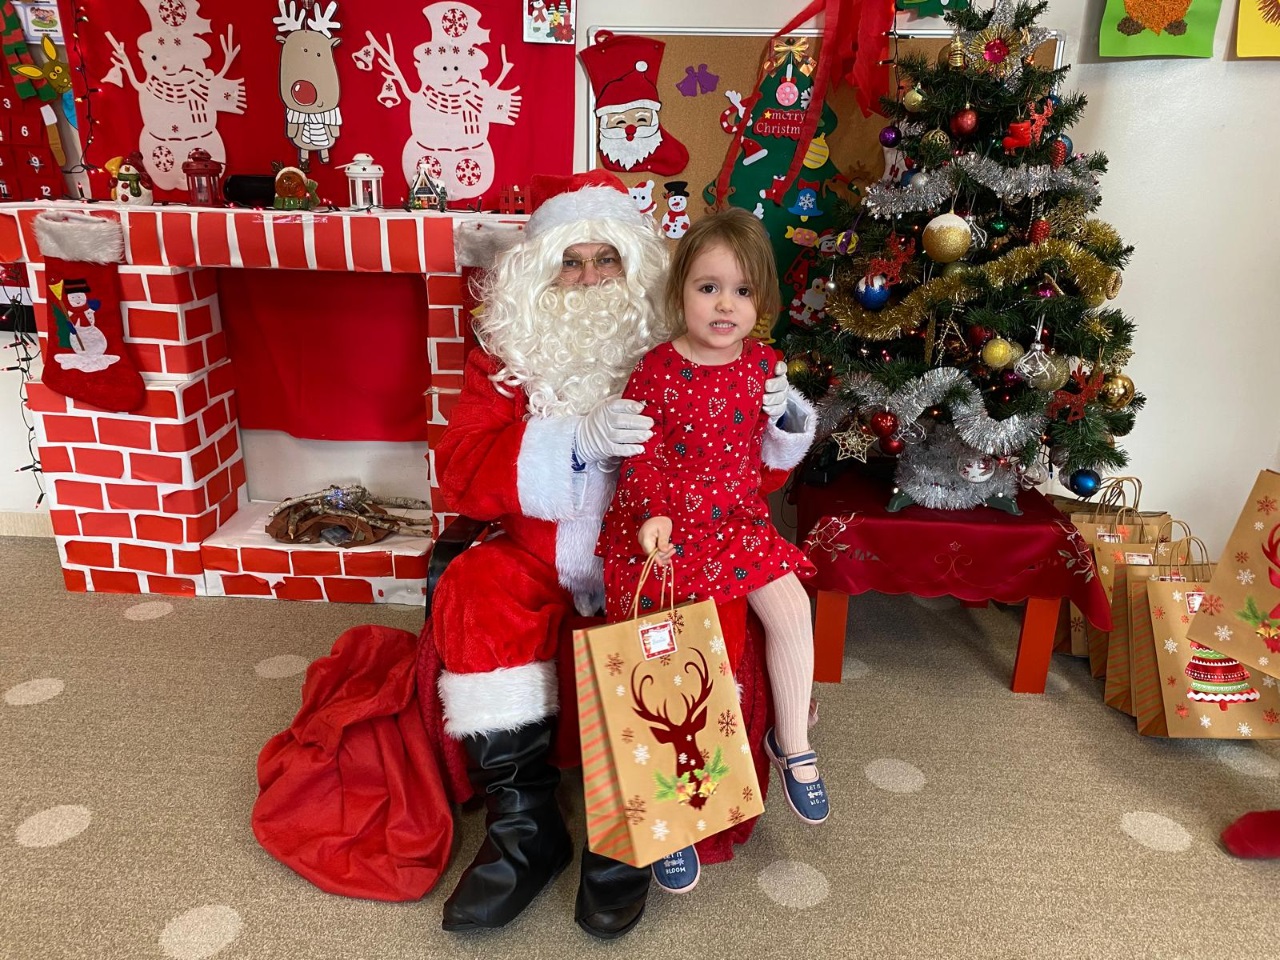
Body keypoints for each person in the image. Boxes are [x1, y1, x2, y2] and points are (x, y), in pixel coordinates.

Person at [431, 169, 779, 939]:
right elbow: (459, 469)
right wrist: (571, 441)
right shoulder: (508, 355)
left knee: (674, 621)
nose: (590, 279)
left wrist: (783, 426)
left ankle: (627, 837)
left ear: (640, 267)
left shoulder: (692, 349)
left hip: (657, 555)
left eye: (608, 259)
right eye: (571, 262)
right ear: (540, 272)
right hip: (537, 551)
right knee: (475, 588)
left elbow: (751, 472)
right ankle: (525, 832)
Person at [598, 208, 828, 895]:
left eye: (743, 291)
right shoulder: (657, 369)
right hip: (668, 529)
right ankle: (672, 817)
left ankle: (792, 742)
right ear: (680, 293)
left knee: (791, 606)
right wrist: (652, 514)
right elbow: (640, 456)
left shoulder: (763, 367)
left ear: (761, 301)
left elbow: (774, 452)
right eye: (709, 288)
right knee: (670, 658)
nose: (726, 305)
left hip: (737, 525)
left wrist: (787, 414)